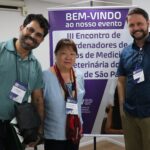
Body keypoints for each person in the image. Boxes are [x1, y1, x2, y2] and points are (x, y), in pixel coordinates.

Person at [0, 13, 49, 150]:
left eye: (39, 35)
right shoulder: (1, 50)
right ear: (21, 28)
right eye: (30, 30)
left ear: (42, 40)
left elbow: (38, 100)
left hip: (16, 127)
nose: (33, 36)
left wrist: (38, 131)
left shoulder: (35, 66)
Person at [43, 38, 85, 150]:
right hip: (54, 135)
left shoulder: (79, 75)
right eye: (63, 53)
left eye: (72, 53)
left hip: (74, 133)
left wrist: (80, 125)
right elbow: (39, 105)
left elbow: (79, 104)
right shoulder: (45, 77)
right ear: (55, 55)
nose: (68, 57)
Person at [117, 7, 150, 150]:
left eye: (139, 23)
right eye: (131, 25)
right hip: (129, 114)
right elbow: (121, 79)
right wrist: (121, 105)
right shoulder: (125, 52)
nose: (136, 28)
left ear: (148, 23)